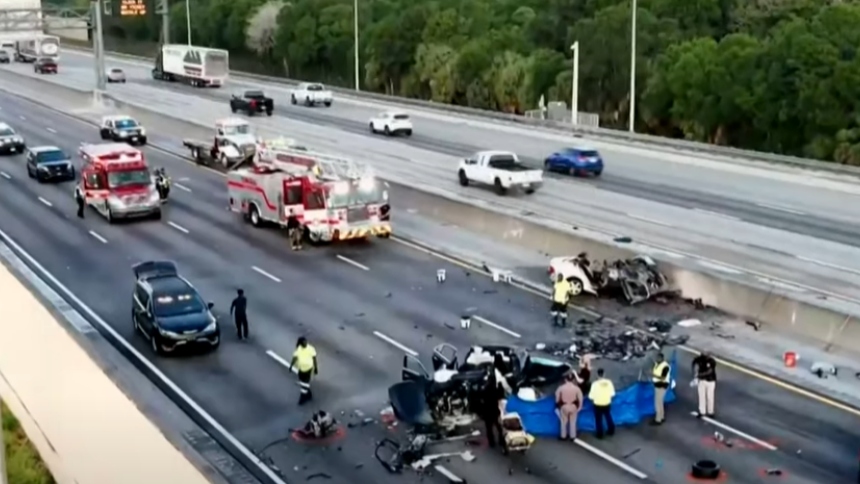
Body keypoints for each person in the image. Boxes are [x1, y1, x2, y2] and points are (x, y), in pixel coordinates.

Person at [476, 370, 506, 453]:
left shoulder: (486, 389)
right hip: (495, 411)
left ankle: (492, 442)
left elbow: (481, 397)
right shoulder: (494, 389)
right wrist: (500, 386)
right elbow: (501, 395)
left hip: (487, 411)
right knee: (499, 427)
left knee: (489, 428)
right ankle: (501, 440)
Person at [289, 337, 318, 405]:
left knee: (304, 382)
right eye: (304, 342)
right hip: (301, 369)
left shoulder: (310, 348)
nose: (305, 343)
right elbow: (295, 358)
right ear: (301, 343)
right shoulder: (298, 350)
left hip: (308, 368)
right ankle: (308, 394)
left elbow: (314, 358)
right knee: (303, 382)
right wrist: (291, 366)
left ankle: (303, 397)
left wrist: (316, 368)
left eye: (306, 341)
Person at [555, 373, 584, 441]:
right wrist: (579, 407)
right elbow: (580, 398)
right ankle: (572, 436)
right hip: (573, 406)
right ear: (573, 380)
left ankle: (563, 436)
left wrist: (557, 406)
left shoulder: (561, 388)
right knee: (573, 421)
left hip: (564, 406)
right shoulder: (577, 388)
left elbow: (557, 398)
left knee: (563, 422)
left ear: (565, 379)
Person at [588, 368, 616, 439]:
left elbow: (591, 396)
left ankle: (600, 434)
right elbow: (612, 394)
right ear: (604, 374)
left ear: (597, 375)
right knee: (608, 416)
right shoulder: (609, 382)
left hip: (598, 404)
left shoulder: (594, 384)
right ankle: (611, 430)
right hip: (607, 402)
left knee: (598, 419)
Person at [692, 351, 717, 418]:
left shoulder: (712, 361)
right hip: (702, 380)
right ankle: (702, 411)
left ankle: (710, 411)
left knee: (710, 397)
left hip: (710, 381)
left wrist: (699, 375)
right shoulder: (699, 359)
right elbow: (694, 363)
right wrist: (695, 372)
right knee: (701, 396)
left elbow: (710, 371)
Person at [651, 353, 671, 425]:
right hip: (658, 385)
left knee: (657, 403)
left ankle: (658, 419)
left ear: (661, 358)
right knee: (660, 402)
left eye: (658, 358)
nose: (656, 359)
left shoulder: (665, 366)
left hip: (662, 386)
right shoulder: (657, 364)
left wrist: (654, 375)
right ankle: (661, 417)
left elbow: (663, 378)